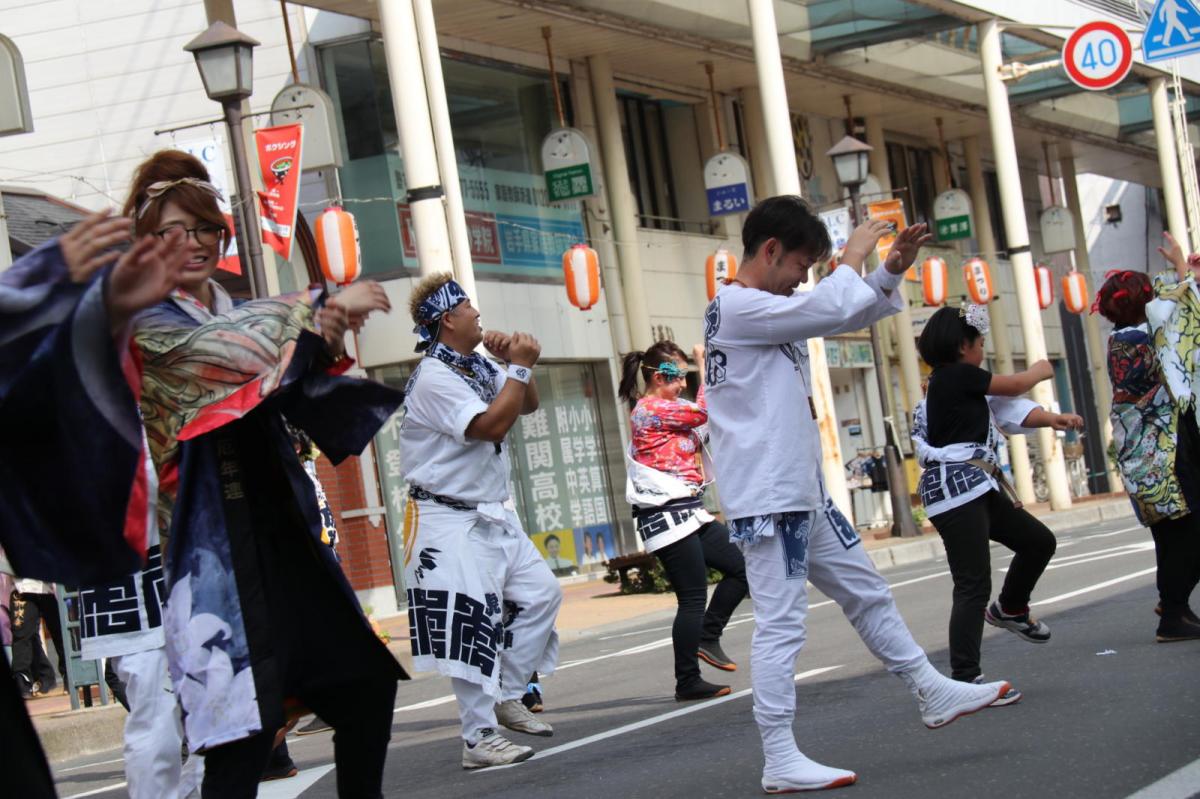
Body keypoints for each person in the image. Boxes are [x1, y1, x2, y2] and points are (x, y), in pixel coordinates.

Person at [703, 195, 1012, 794]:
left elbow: (834, 311)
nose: (802, 280)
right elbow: (829, 308)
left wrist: (889, 268)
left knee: (866, 591)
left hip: (796, 489)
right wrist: (854, 256)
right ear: (770, 251)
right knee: (782, 624)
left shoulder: (757, 305)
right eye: (800, 265)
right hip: (773, 497)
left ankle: (931, 688)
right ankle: (779, 754)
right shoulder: (741, 305)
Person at [121, 150, 406, 798]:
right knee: (241, 743)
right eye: (173, 229)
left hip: (280, 537)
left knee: (364, 687)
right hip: (210, 558)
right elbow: (224, 354)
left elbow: (279, 379)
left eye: (204, 228)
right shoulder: (144, 323)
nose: (192, 242)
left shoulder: (233, 309)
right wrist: (317, 309)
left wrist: (323, 343)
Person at [1, 208, 189, 798]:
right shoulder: (61, 373)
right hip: (122, 573)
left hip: (176, 561)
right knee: (155, 716)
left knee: (209, 709)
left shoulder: (144, 361)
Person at [399, 273, 563, 769]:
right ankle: (478, 739)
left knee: (542, 595)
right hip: (444, 518)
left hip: (489, 512)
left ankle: (507, 693)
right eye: (468, 305)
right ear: (448, 318)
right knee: (470, 626)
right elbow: (489, 425)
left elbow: (525, 404)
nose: (476, 311)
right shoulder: (434, 376)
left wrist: (512, 364)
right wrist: (515, 365)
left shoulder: (474, 364)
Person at [913, 304, 1082, 694]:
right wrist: (1039, 371)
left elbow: (1005, 411)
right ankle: (965, 680)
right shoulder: (954, 377)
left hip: (978, 487)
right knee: (972, 584)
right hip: (956, 491)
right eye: (980, 343)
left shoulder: (957, 384)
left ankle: (1011, 609)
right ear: (961, 347)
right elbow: (1012, 387)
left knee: (1039, 542)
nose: (983, 349)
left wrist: (1051, 419)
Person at [618, 339, 748, 701]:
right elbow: (704, 412)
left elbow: (707, 420)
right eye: (678, 377)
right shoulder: (649, 410)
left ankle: (708, 635)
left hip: (689, 511)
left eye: (685, 376)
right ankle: (687, 680)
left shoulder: (670, 408)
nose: (682, 384)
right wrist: (703, 364)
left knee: (741, 567)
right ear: (659, 377)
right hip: (664, 514)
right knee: (691, 597)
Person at [1096, 248, 1200, 642]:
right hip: (1167, 454)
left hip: (1143, 456)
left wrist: (1181, 272)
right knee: (1185, 533)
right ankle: (1173, 608)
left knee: (1171, 537)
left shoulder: (1120, 340)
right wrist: (1181, 271)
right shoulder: (1149, 338)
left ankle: (1174, 609)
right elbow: (1185, 317)